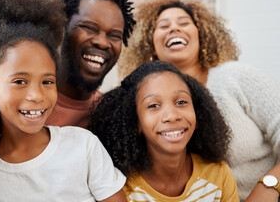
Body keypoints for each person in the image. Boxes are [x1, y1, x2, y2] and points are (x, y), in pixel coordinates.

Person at [0, 0, 136, 177]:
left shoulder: (109, 111)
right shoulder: (1, 97)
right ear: (58, 31)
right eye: (89, 28)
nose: (103, 43)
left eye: (114, 35)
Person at [117, 0, 280, 201]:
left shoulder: (237, 77)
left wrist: (268, 187)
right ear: (149, 43)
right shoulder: (139, 97)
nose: (174, 28)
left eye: (184, 23)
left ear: (202, 35)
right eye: (164, 26)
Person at [90, 61, 240, 201]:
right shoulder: (119, 189)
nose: (172, 116)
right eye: (153, 105)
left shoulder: (218, 175)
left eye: (181, 102)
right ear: (136, 123)